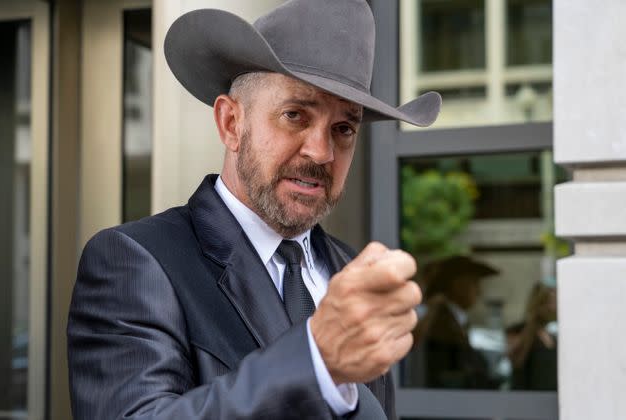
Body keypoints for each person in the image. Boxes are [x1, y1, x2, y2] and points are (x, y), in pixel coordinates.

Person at [66, 1, 441, 419]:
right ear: (230, 123)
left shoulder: (350, 270)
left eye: (343, 129)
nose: (321, 152)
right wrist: (316, 361)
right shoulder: (136, 261)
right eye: (295, 115)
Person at [411, 255, 501, 389]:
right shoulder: (440, 319)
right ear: (457, 284)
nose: (479, 291)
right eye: (474, 283)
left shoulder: (454, 318)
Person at [506, 283, 558, 391]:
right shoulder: (519, 330)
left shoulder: (552, 335)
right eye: (550, 302)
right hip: (528, 397)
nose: (554, 307)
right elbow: (515, 361)